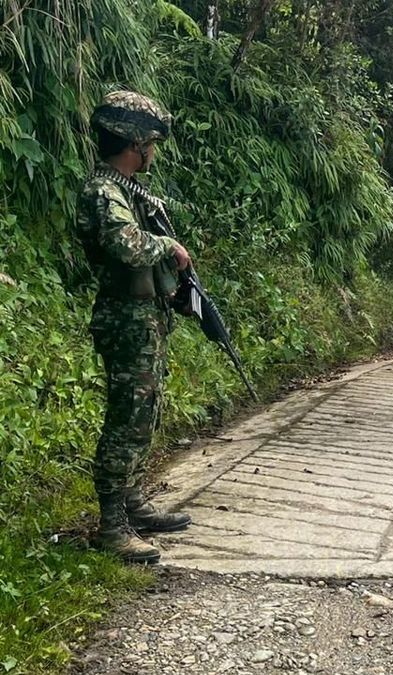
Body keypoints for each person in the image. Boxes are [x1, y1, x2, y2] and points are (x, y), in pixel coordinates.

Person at [77, 90, 194, 564]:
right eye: (152, 144)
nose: (154, 153)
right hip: (125, 318)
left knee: (144, 412)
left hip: (143, 316)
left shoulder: (126, 189)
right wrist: (168, 246)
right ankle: (112, 526)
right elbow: (126, 246)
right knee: (127, 418)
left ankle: (131, 502)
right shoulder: (103, 191)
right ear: (136, 144)